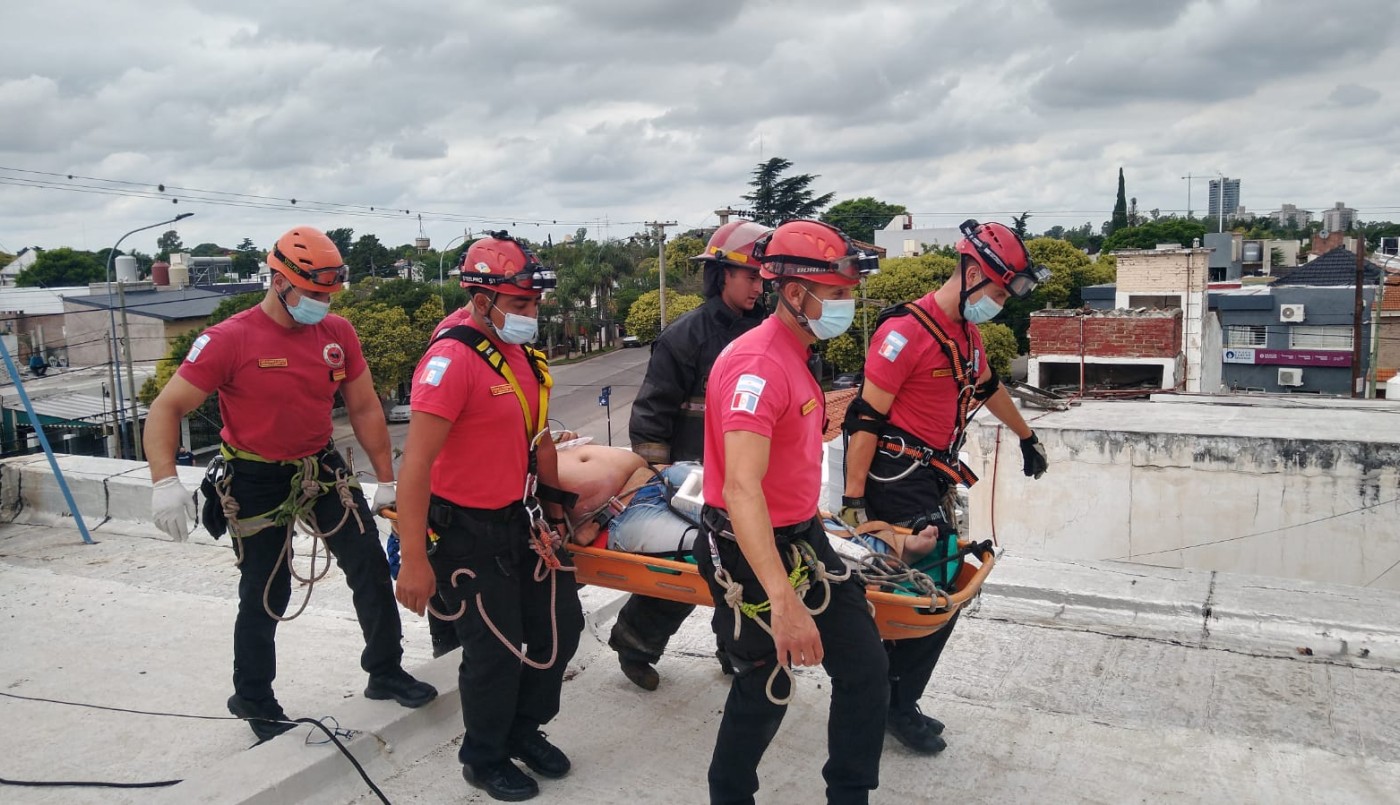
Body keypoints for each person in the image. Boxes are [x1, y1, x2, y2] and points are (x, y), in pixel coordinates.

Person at [144, 226, 436, 742]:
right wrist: (164, 480)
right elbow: (166, 408)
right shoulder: (230, 339)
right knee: (266, 588)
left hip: (320, 466)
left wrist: (386, 480)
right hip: (255, 474)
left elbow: (364, 407)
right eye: (313, 293)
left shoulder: (337, 334)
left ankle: (385, 670)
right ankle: (254, 696)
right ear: (278, 281)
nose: (323, 303)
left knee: (368, 562)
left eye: (329, 294)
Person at [840, 219, 1051, 756]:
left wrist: (1027, 436)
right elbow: (864, 419)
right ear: (973, 274)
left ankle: (893, 699)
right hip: (895, 479)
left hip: (931, 477)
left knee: (922, 593)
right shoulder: (903, 334)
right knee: (933, 596)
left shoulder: (967, 337)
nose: (999, 303)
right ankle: (892, 704)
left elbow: (989, 387)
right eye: (998, 292)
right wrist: (853, 500)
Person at [695, 219, 888, 805]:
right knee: (765, 685)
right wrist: (783, 602)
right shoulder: (758, 366)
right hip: (749, 548)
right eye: (837, 293)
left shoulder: (795, 353)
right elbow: (742, 489)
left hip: (804, 536)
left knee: (864, 667)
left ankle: (849, 794)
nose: (847, 304)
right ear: (796, 292)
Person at [392, 232, 583, 803]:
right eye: (520, 303)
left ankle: (524, 729)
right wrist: (413, 559)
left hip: (522, 521)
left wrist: (556, 513)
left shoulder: (521, 354)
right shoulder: (451, 361)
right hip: (467, 534)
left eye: (535, 303)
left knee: (559, 630)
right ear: (482, 300)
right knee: (496, 652)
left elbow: (539, 438)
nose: (532, 314)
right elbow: (415, 467)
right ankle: (484, 757)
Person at [612, 219, 771, 691]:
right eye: (751, 277)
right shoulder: (686, 336)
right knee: (688, 568)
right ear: (722, 275)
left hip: (752, 475)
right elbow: (652, 409)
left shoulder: (768, 331)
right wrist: (657, 472)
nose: (759, 288)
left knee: (748, 572)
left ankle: (737, 652)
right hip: (693, 479)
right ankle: (634, 644)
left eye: (764, 278)